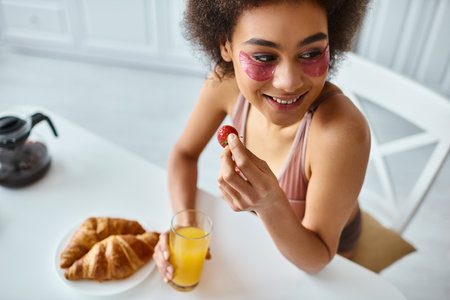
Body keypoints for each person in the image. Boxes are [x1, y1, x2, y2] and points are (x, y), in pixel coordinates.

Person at [153, 0, 371, 281]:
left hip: (321, 252)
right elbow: (184, 153)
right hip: (259, 225)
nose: (289, 82)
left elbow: (317, 260)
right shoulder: (225, 84)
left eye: (312, 52)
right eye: (265, 57)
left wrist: (268, 204)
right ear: (226, 45)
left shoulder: (341, 132)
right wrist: (185, 228)